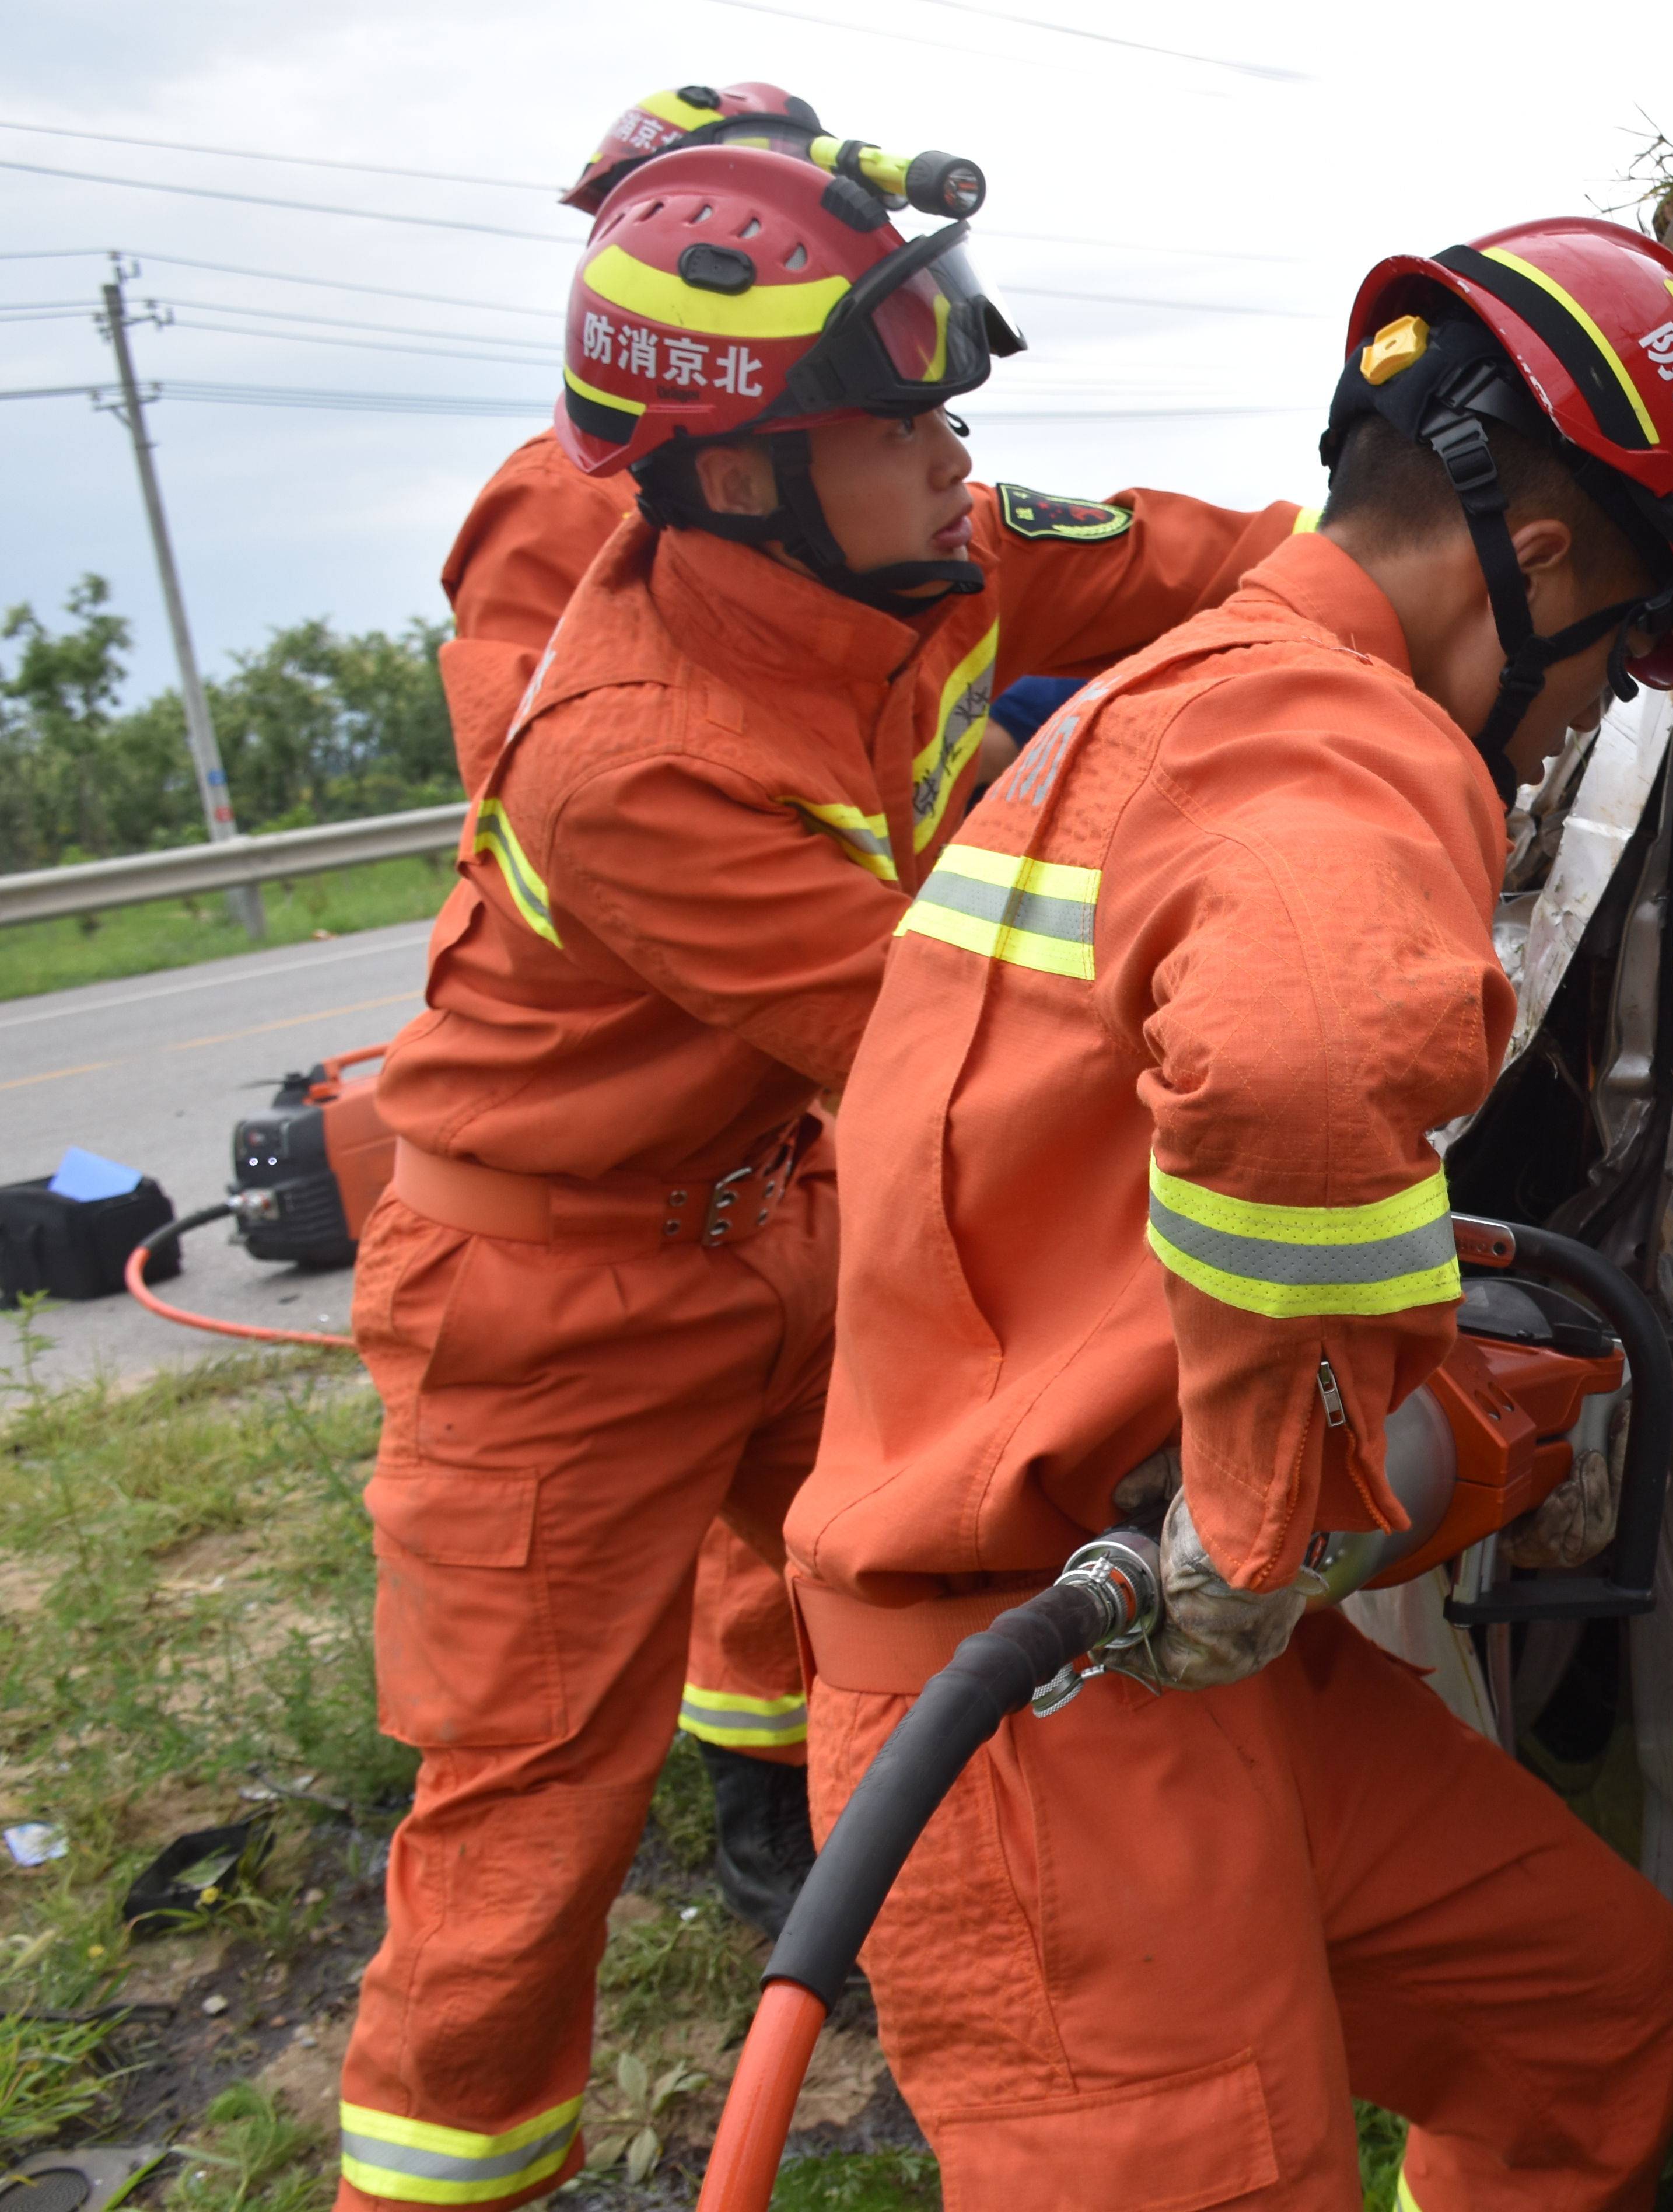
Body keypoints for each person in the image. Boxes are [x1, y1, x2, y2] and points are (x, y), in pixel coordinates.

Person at [786, 218, 1673, 2209]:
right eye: (1630, 652)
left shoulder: (1182, 698)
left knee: (1576, 2012)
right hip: (1047, 1717)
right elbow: (1296, 1073)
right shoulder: (1344, 732)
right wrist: (1277, 1506)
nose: (1596, 715)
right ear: (1560, 557)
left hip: (1159, 1640)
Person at [335, 137, 1298, 2211]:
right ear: (743, 466)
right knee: (525, 1830)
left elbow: (1212, 558)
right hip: (547, 1308)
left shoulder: (923, 552)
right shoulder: (635, 751)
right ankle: (441, 2186)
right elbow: (951, 1066)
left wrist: (1450, 566)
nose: (960, 448)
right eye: (904, 414)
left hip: (774, 1207)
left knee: (932, 1609)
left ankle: (1015, 2027)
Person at [430, 79, 841, 1950]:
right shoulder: (571, 506)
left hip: (764, 1145)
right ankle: (761, 1818)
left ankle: (807, 1826)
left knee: (848, 1530)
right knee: (520, 1819)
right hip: (624, 1151)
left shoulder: (836, 468)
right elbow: (596, 806)